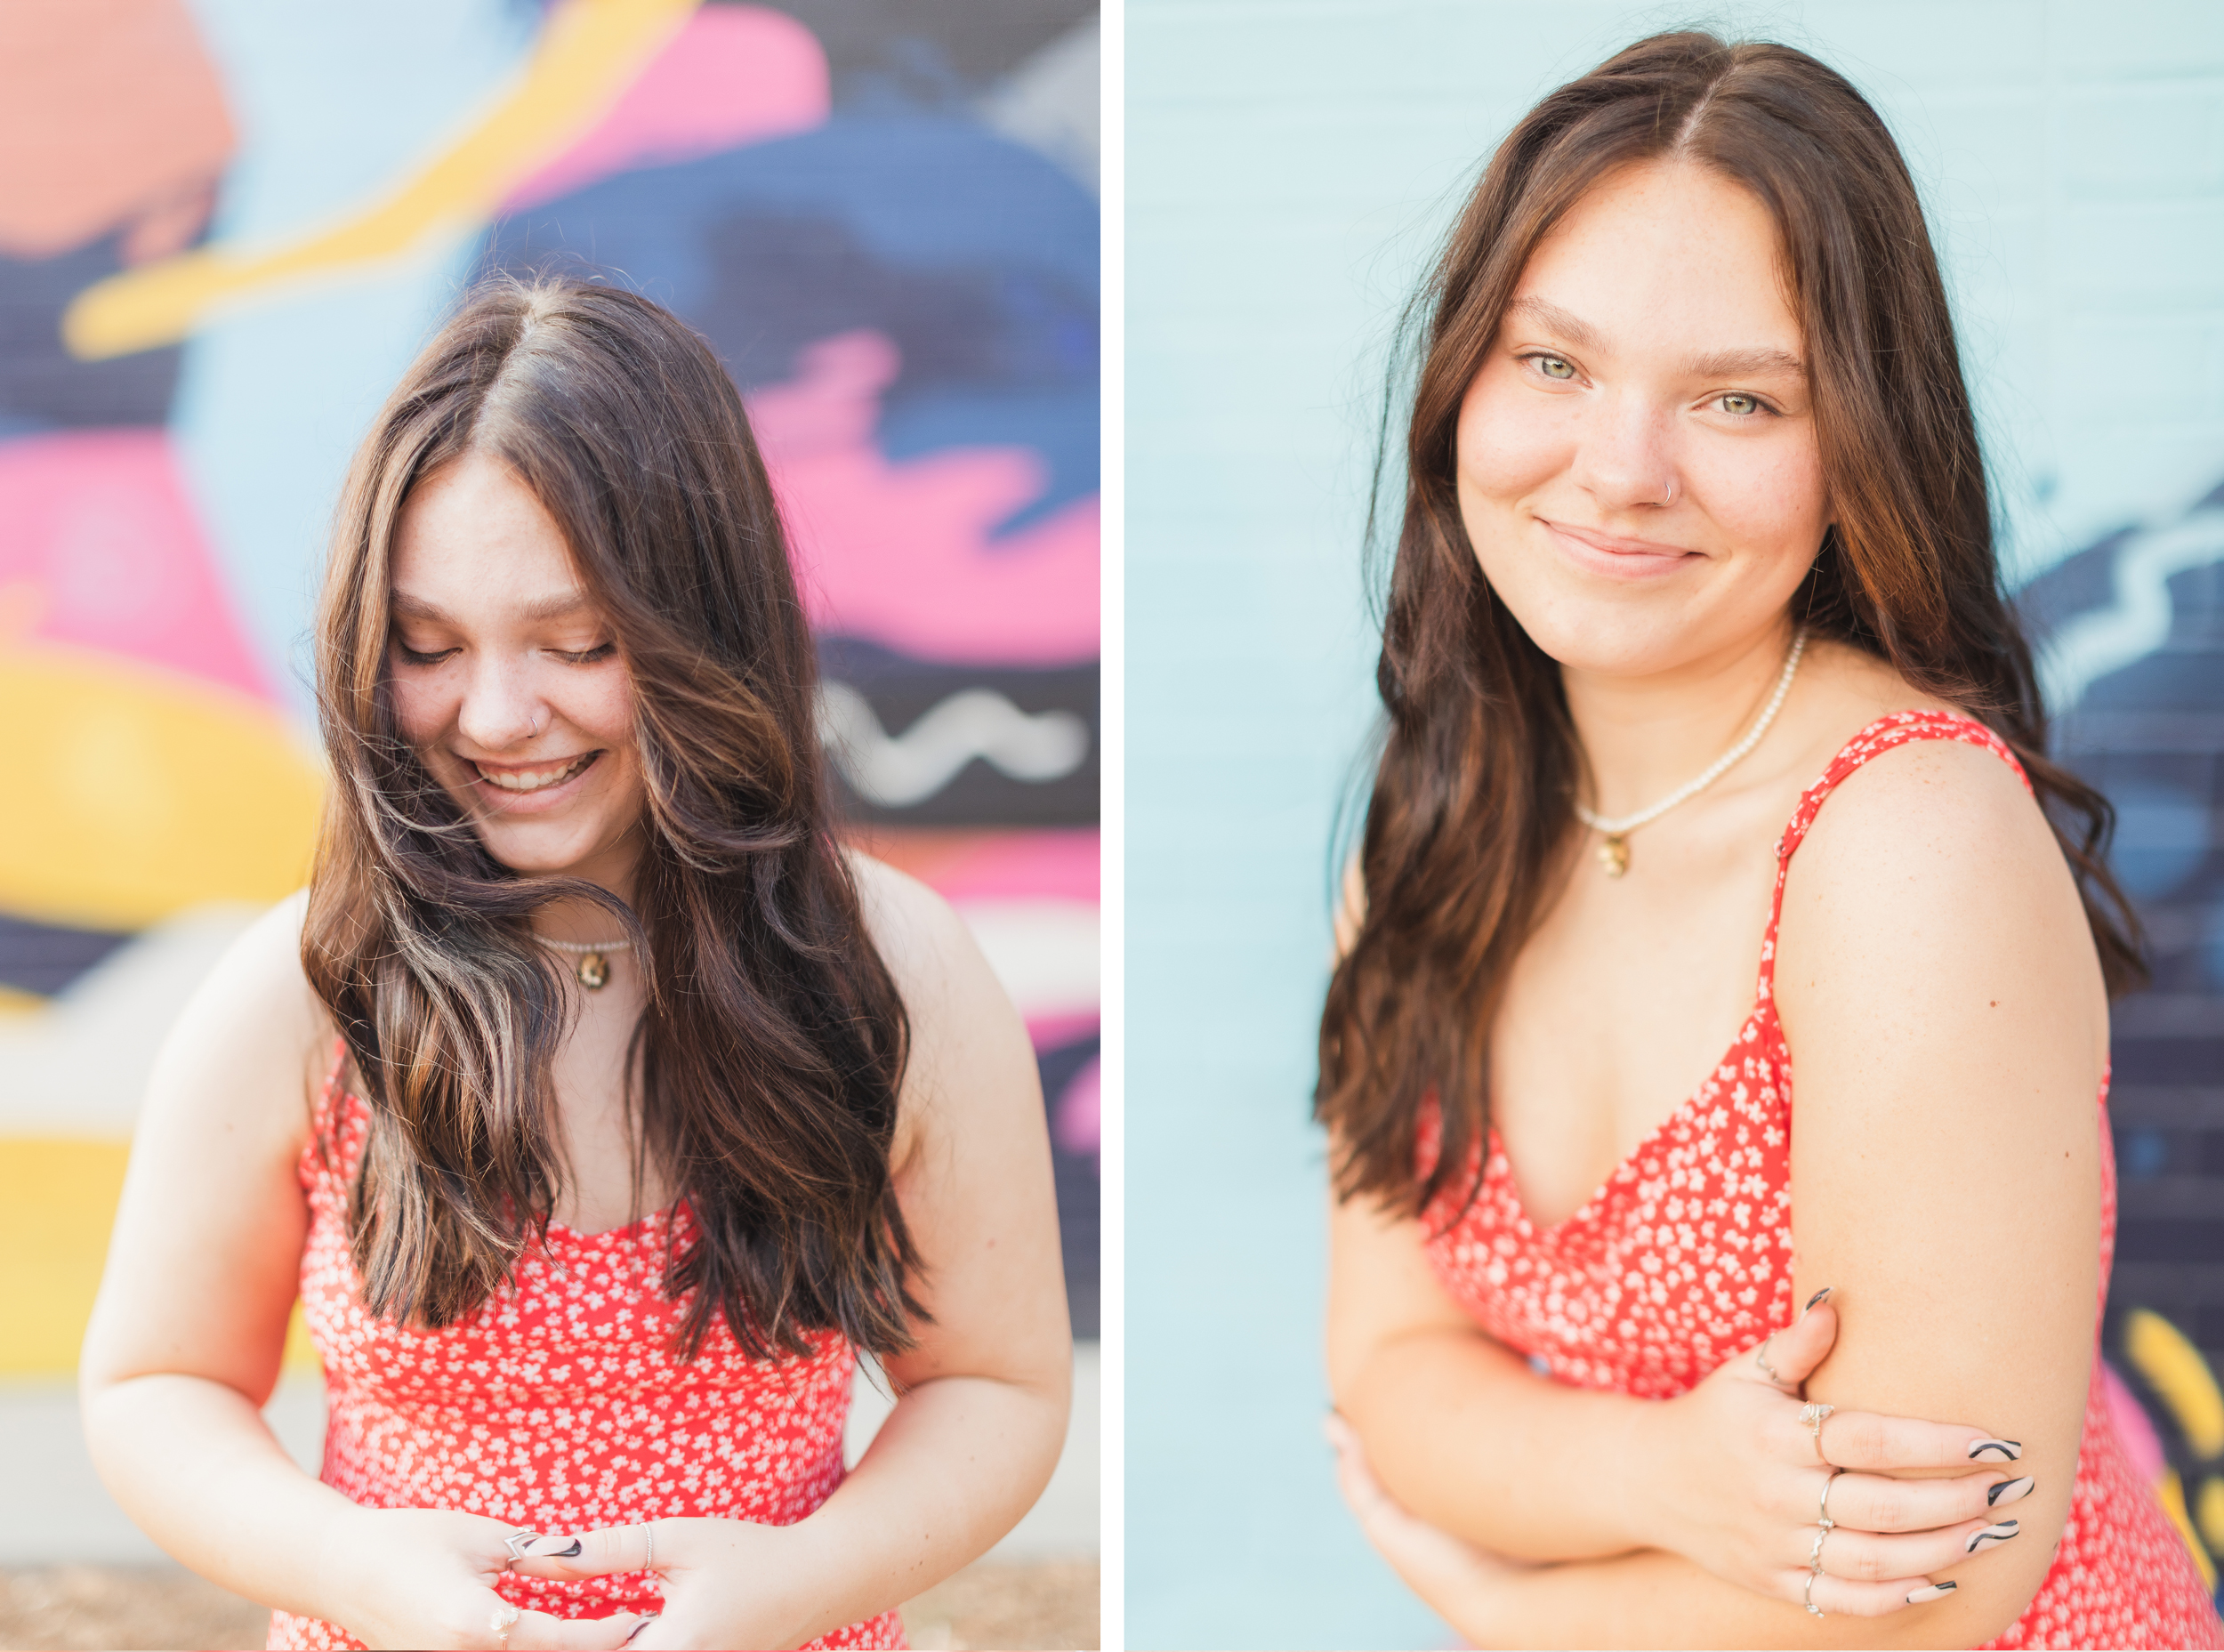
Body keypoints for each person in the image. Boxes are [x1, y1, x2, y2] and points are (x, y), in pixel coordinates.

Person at [1315, 31, 2222, 1651]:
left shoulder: (1901, 842)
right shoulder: (1441, 818)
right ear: (1461, 374)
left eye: (1738, 397)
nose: (1621, 469)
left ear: (1858, 441)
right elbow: (1388, 1379)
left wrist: (1507, 1608)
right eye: (1553, 364)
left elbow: (1936, 1596)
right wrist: (1667, 1472)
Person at [77, 276, 1072, 1651]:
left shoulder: (892, 973)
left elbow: (995, 1384)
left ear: (699, 626)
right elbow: (156, 1381)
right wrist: (352, 1567)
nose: (494, 715)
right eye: (429, 646)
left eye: (577, 643)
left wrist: (796, 1584)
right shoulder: (308, 990)